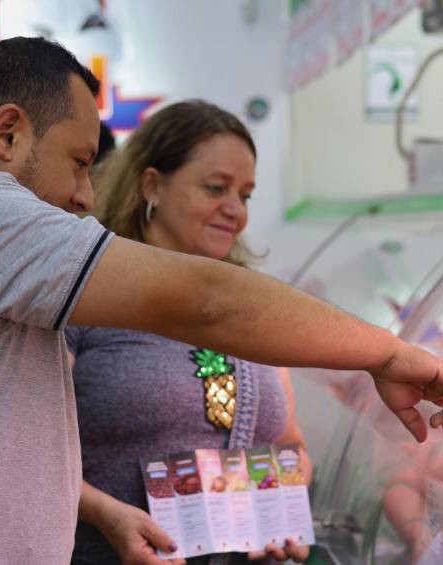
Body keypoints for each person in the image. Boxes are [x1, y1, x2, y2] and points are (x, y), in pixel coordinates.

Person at [0, 37, 443, 565]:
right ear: (7, 133)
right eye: (80, 160)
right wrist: (383, 350)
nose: (86, 194)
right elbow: (206, 302)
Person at [69, 100, 311, 565]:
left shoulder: (255, 307)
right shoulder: (86, 293)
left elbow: (291, 445)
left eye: (245, 195)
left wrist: (277, 511)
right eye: (217, 188)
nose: (235, 211)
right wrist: (106, 514)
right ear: (152, 185)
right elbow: (24, 451)